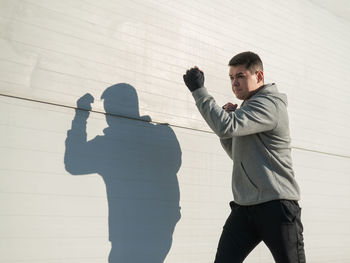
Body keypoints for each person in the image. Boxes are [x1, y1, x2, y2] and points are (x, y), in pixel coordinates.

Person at [183, 51, 306, 263]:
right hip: (245, 207)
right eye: (231, 78)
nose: (234, 83)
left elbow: (225, 126)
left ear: (259, 76)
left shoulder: (269, 104)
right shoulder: (248, 108)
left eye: (240, 76)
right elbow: (237, 153)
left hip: (276, 206)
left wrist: (199, 90)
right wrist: (228, 124)